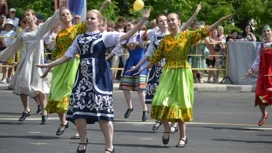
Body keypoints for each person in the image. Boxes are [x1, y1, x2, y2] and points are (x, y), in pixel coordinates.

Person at [37, 8, 151, 153]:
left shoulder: (105, 36)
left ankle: (109, 146)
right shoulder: (79, 38)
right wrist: (49, 65)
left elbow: (127, 35)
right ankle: (83, 141)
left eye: (92, 18)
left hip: (100, 79)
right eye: (88, 18)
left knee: (103, 115)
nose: (89, 20)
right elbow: (67, 56)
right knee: (78, 112)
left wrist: (142, 20)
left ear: (99, 21)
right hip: (83, 80)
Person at [146, 13, 232, 147]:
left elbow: (205, 31)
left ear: (179, 22)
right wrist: (139, 70)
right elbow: (154, 57)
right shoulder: (166, 40)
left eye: (172, 20)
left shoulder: (187, 35)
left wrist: (219, 20)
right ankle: (167, 128)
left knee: (180, 104)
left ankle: (183, 137)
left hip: (182, 72)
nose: (170, 22)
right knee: (159, 100)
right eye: (168, 20)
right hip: (168, 72)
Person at [39, 0, 111, 139]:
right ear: (60, 18)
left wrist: (103, 5)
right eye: (62, 15)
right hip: (60, 64)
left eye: (67, 14)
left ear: (71, 16)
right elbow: (55, 53)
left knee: (71, 93)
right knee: (56, 94)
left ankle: (79, 130)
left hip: (74, 63)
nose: (65, 16)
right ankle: (63, 122)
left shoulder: (77, 29)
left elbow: (95, 18)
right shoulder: (59, 34)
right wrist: (48, 68)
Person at [128, 3, 202, 131]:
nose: (164, 22)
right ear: (158, 23)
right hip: (157, 69)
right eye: (161, 21)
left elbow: (187, 25)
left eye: (165, 20)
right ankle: (160, 120)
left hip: (171, 68)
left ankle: (174, 124)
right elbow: (148, 54)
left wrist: (195, 13)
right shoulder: (155, 36)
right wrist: (138, 67)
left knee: (175, 97)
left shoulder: (174, 34)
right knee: (159, 97)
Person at [0, 5, 62, 125]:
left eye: (29, 15)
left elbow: (51, 20)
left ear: (34, 17)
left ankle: (44, 113)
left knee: (40, 89)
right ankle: (26, 109)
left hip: (37, 63)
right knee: (23, 86)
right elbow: (12, 47)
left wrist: (60, 8)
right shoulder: (23, 34)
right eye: (25, 15)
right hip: (25, 63)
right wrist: (2, 57)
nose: (27, 17)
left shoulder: (40, 29)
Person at [241, 24, 272, 126]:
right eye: (264, 31)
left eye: (268, 31)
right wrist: (251, 70)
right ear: (262, 34)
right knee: (259, 95)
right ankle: (264, 114)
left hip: (271, 74)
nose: (266, 33)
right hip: (263, 74)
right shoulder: (261, 46)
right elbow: (258, 60)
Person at [0, 18, 17, 84]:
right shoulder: (2, 32)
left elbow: (15, 41)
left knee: (10, 63)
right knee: (5, 63)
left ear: (12, 26)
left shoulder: (14, 33)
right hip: (5, 48)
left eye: (10, 25)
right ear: (6, 25)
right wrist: (6, 46)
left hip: (12, 48)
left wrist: (11, 47)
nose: (8, 26)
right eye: (7, 24)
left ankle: (8, 77)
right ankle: (4, 77)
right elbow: (2, 40)